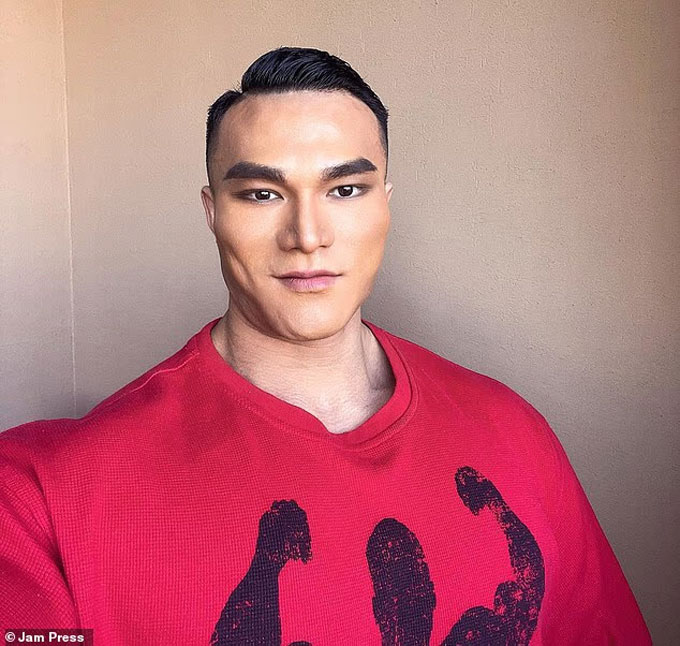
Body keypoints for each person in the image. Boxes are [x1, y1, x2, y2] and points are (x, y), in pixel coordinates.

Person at [0, 46, 651, 645]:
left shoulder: (514, 434)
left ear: (385, 206)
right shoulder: (42, 495)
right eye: (261, 193)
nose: (307, 235)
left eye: (345, 189)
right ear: (212, 211)